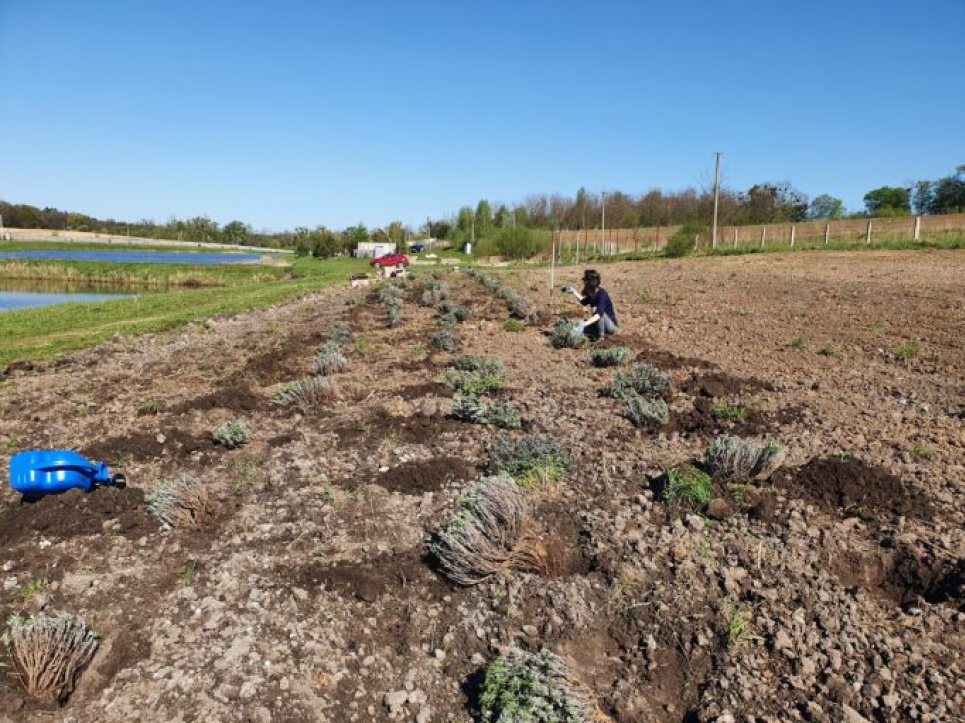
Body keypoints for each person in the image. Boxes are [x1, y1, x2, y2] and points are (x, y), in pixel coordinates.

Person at [562, 269, 618, 340]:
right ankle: (596, 332)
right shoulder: (592, 293)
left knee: (594, 309)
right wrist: (574, 292)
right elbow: (584, 302)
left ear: (590, 283)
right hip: (599, 324)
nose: (584, 284)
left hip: (611, 327)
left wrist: (584, 324)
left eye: (585, 282)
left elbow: (599, 314)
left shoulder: (602, 294)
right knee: (580, 329)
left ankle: (601, 337)